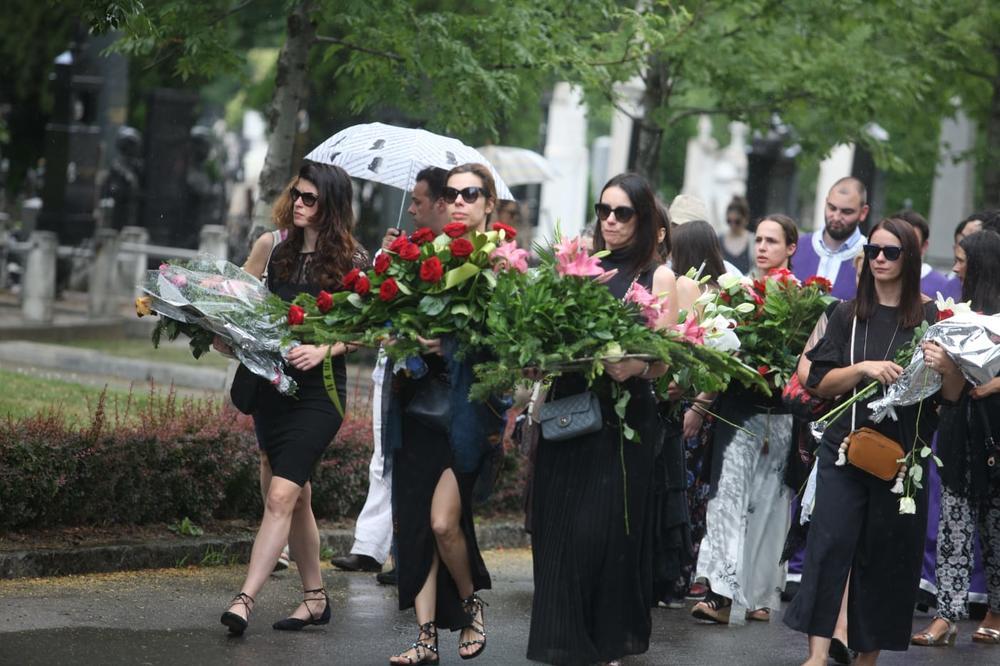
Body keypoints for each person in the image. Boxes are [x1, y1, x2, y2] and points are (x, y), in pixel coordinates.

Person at [784, 217, 965, 665]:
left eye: (892, 252)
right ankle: (817, 654)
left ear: (911, 258)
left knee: (885, 557)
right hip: (844, 448)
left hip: (903, 459)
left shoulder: (933, 318)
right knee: (828, 546)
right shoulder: (846, 313)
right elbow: (819, 382)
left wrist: (948, 365)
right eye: (875, 251)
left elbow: (955, 395)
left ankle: (868, 656)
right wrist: (862, 368)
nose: (880, 259)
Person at [527, 172, 677, 665]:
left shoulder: (657, 276)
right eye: (604, 210)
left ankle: (606, 640)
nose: (610, 221)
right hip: (569, 409)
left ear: (644, 218)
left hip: (623, 418)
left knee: (605, 530)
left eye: (623, 213)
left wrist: (635, 366)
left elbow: (667, 356)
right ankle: (564, 639)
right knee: (559, 527)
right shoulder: (578, 265)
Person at [219, 161, 368, 635]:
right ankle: (315, 599)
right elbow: (237, 302)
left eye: (311, 199)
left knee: (281, 496)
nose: (300, 205)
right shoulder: (272, 246)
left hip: (320, 392)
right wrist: (226, 334)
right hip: (272, 388)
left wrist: (328, 346)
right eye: (297, 195)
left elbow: (370, 329)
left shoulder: (352, 260)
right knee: (296, 498)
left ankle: (244, 599)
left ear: (332, 207)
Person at [388, 163, 500, 664]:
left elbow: (507, 347)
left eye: (470, 194)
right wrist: (405, 338)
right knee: (414, 523)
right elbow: (394, 324)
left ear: (489, 203)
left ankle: (471, 603)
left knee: (442, 523)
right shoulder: (423, 257)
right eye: (452, 194)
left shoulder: (503, 264)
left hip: (469, 411)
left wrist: (450, 343)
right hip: (418, 406)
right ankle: (425, 637)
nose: (458, 201)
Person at [331, 167, 451, 584]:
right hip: (395, 366)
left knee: (417, 466)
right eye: (412, 201)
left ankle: (408, 554)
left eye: (419, 201)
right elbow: (376, 296)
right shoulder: (405, 247)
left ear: (440, 203)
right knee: (384, 457)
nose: (412, 208)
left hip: (431, 377)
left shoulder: (453, 253)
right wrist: (387, 257)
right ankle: (370, 547)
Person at [690, 214, 798, 625]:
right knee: (727, 501)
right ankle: (720, 594)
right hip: (737, 410)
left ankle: (760, 594)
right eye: (759, 239)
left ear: (791, 248)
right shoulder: (737, 293)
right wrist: (701, 405)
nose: (763, 247)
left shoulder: (803, 300)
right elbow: (720, 358)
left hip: (781, 413)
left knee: (771, 505)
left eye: (773, 240)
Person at [911, 229, 1000, 648]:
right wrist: (944, 364)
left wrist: (992, 383)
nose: (956, 267)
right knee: (952, 523)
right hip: (957, 428)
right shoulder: (956, 312)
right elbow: (948, 387)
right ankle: (946, 614)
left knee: (996, 527)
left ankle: (997, 609)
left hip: (994, 433)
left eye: (963, 260)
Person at [662, 220, 727, 607]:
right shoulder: (701, 290)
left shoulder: (708, 296)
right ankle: (680, 574)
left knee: (688, 492)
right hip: (693, 404)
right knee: (689, 493)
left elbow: (717, 361)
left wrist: (699, 407)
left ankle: (681, 575)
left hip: (695, 404)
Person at [791, 177, 869, 299]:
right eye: (832, 208)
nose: (836, 217)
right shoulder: (798, 247)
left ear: (863, 212)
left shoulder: (871, 255)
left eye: (846, 212)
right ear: (826, 202)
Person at [893, 209, 961, 300]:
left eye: (911, 242)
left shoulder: (943, 289)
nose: (902, 248)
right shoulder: (872, 282)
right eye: (896, 241)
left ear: (924, 246)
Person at [719, 195, 753, 274]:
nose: (733, 225)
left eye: (737, 221)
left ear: (746, 219)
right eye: (729, 221)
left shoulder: (753, 241)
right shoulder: (719, 239)